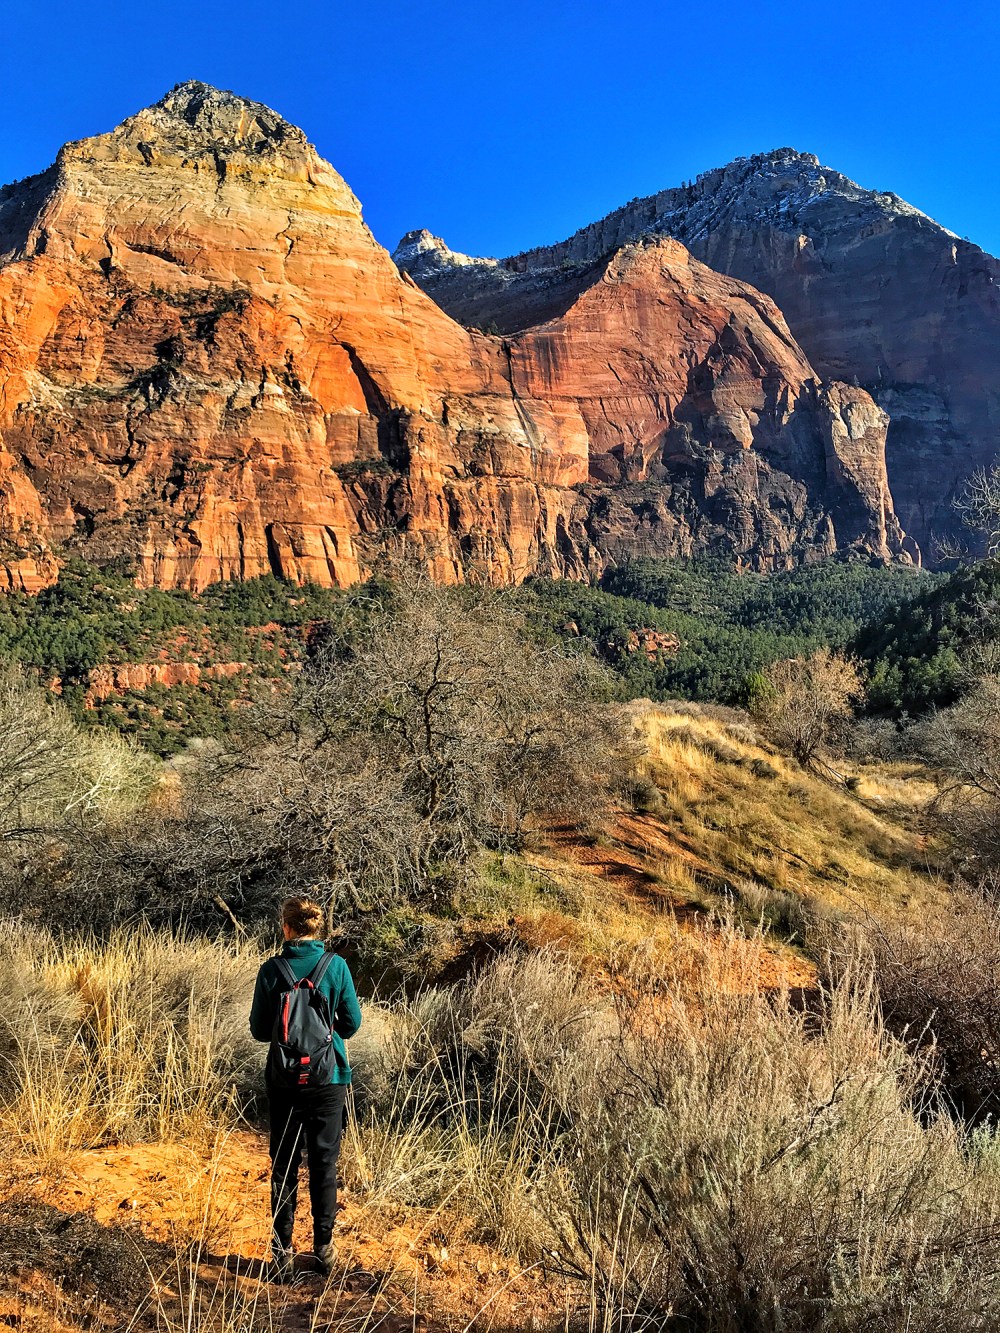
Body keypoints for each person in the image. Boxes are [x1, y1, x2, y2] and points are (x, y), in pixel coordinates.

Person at [249, 896, 362, 1283]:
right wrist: (324, 1042)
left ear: (286, 928)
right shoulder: (337, 967)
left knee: (283, 1167)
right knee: (323, 1164)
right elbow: (352, 1021)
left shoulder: (271, 970)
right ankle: (323, 1250)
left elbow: (260, 1031)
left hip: (283, 1080)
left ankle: (280, 1255)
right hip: (328, 1079)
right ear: (318, 928)